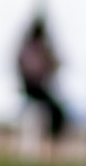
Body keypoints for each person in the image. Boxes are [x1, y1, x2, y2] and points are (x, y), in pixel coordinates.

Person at [17, 15, 70, 149]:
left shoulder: (31, 48)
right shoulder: (33, 49)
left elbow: (55, 64)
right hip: (33, 90)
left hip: (36, 89)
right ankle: (50, 144)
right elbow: (47, 67)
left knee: (56, 113)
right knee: (56, 112)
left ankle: (50, 142)